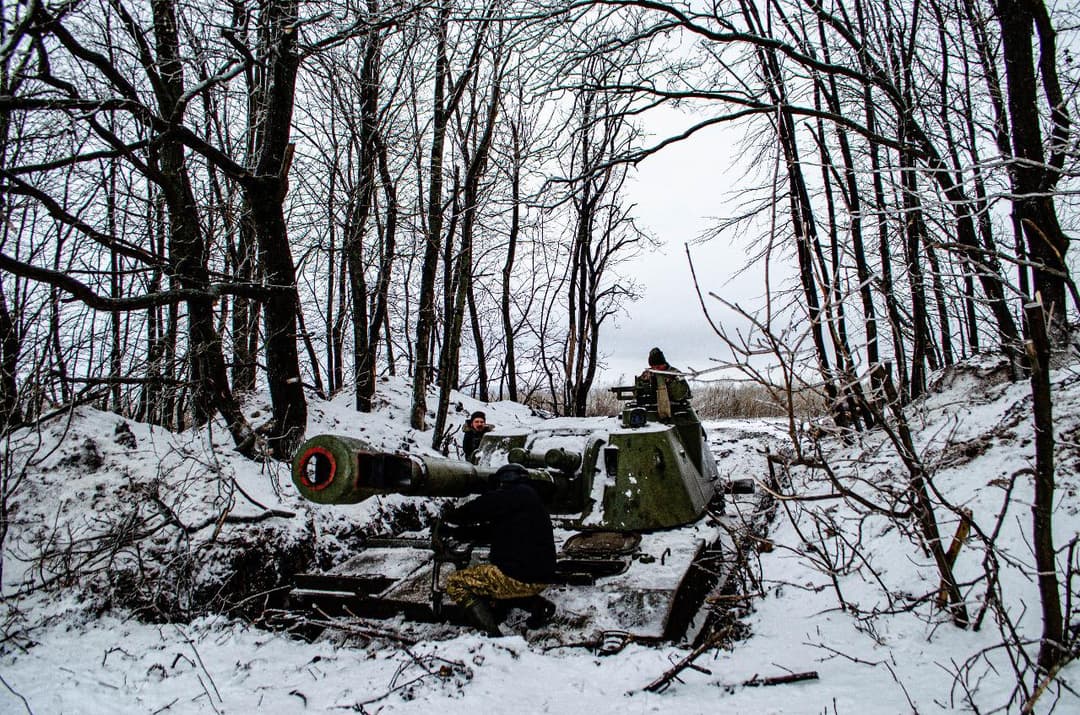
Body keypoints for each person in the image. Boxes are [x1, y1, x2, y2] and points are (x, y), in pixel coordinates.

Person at [442, 463, 557, 636]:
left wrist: (451, 516)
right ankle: (538, 606)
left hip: (518, 576)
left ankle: (492, 635)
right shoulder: (529, 502)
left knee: (456, 583)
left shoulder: (514, 495)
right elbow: (490, 532)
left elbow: (479, 508)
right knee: (498, 577)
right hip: (540, 576)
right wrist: (455, 532)